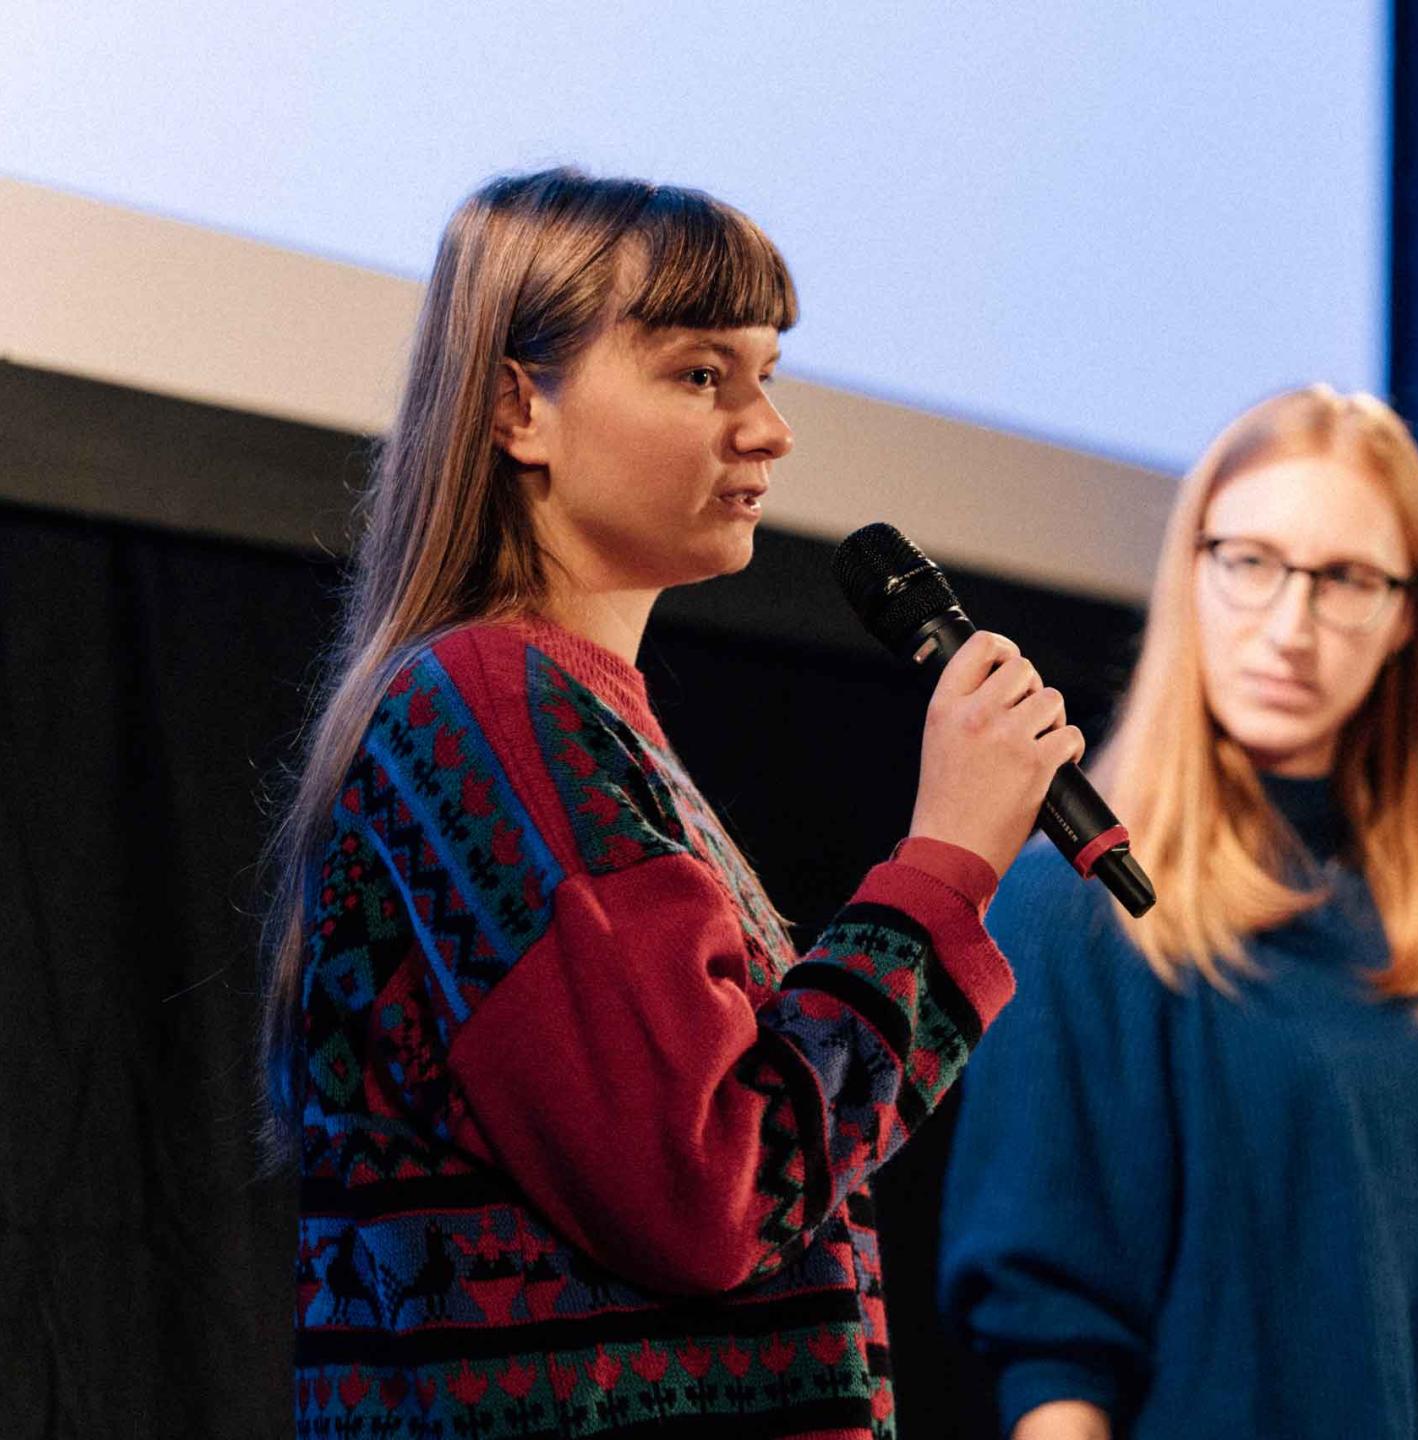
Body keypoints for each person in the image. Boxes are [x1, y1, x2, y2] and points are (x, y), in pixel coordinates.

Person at [257, 168, 1082, 1440]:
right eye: (702, 375)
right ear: (517, 405)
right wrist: (945, 866)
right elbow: (708, 1183)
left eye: (766, 374)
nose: (768, 428)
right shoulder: (491, 701)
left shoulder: (567, 716)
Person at [939, 386, 1418, 1439]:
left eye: (1345, 581)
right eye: (1250, 562)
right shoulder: (1082, 906)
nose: (1290, 627)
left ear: (1408, 616)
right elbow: (1053, 1348)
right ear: (1191, 571)